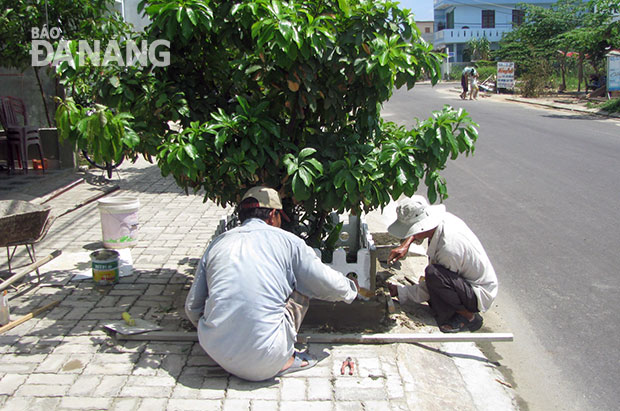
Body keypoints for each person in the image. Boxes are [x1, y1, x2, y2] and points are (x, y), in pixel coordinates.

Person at [185, 186, 358, 381]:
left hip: (216, 352)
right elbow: (325, 282)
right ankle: (285, 360)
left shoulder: (217, 243)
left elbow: (193, 308)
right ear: (273, 215)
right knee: (304, 283)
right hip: (269, 359)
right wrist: (351, 289)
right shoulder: (289, 242)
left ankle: (235, 349)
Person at [386, 195, 498, 333]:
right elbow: (420, 228)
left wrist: (401, 291)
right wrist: (406, 243)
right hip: (465, 282)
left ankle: (468, 317)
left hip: (477, 293)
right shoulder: (442, 220)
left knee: (433, 275)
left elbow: (431, 285)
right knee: (434, 282)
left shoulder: (448, 248)